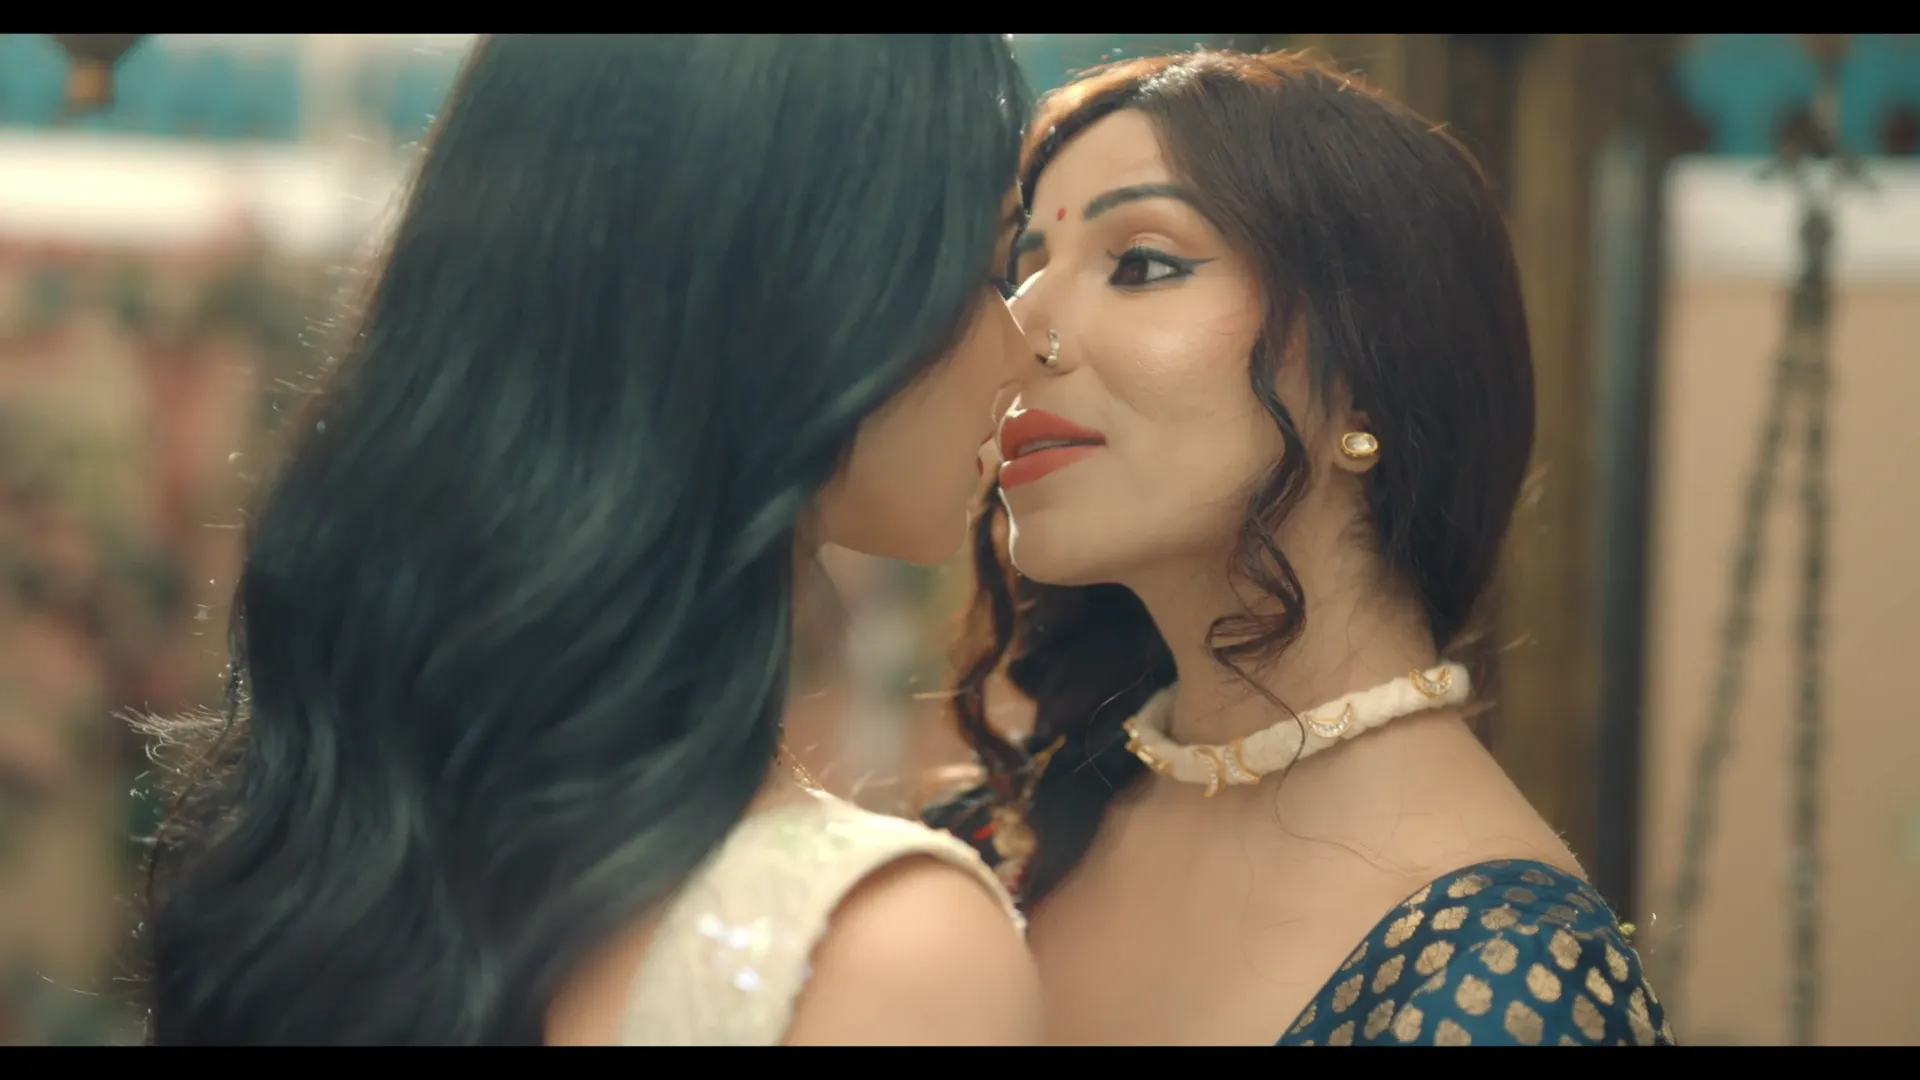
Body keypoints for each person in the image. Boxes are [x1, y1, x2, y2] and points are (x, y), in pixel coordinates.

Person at [138, 34, 1043, 1046]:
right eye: (984, 267)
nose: (1019, 351)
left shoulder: (346, 853)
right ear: (802, 285)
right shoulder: (881, 956)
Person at [926, 49, 1678, 1046]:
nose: (1019, 332)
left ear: (1367, 371)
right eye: (1020, 272)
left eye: (1140, 263)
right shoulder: (994, 843)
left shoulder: (1500, 986)